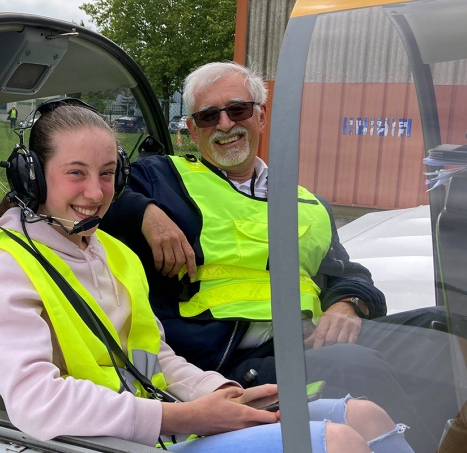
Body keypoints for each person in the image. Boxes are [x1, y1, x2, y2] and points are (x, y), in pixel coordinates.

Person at [0, 99, 413, 452]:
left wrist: (219, 393)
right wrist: (181, 415)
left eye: (107, 174)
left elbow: (151, 357)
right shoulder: (5, 264)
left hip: (159, 423)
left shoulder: (110, 252)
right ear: (33, 177)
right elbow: (35, 402)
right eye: (75, 173)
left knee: (365, 415)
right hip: (110, 442)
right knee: (335, 442)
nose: (95, 192)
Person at [100, 61, 467, 452]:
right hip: (230, 359)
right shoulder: (161, 178)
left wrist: (347, 304)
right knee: (358, 365)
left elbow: (348, 273)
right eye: (208, 116)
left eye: (237, 110)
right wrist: (144, 213)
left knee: (442, 333)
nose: (225, 124)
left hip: (311, 340)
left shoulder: (307, 201)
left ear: (261, 115)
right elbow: (99, 194)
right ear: (192, 129)